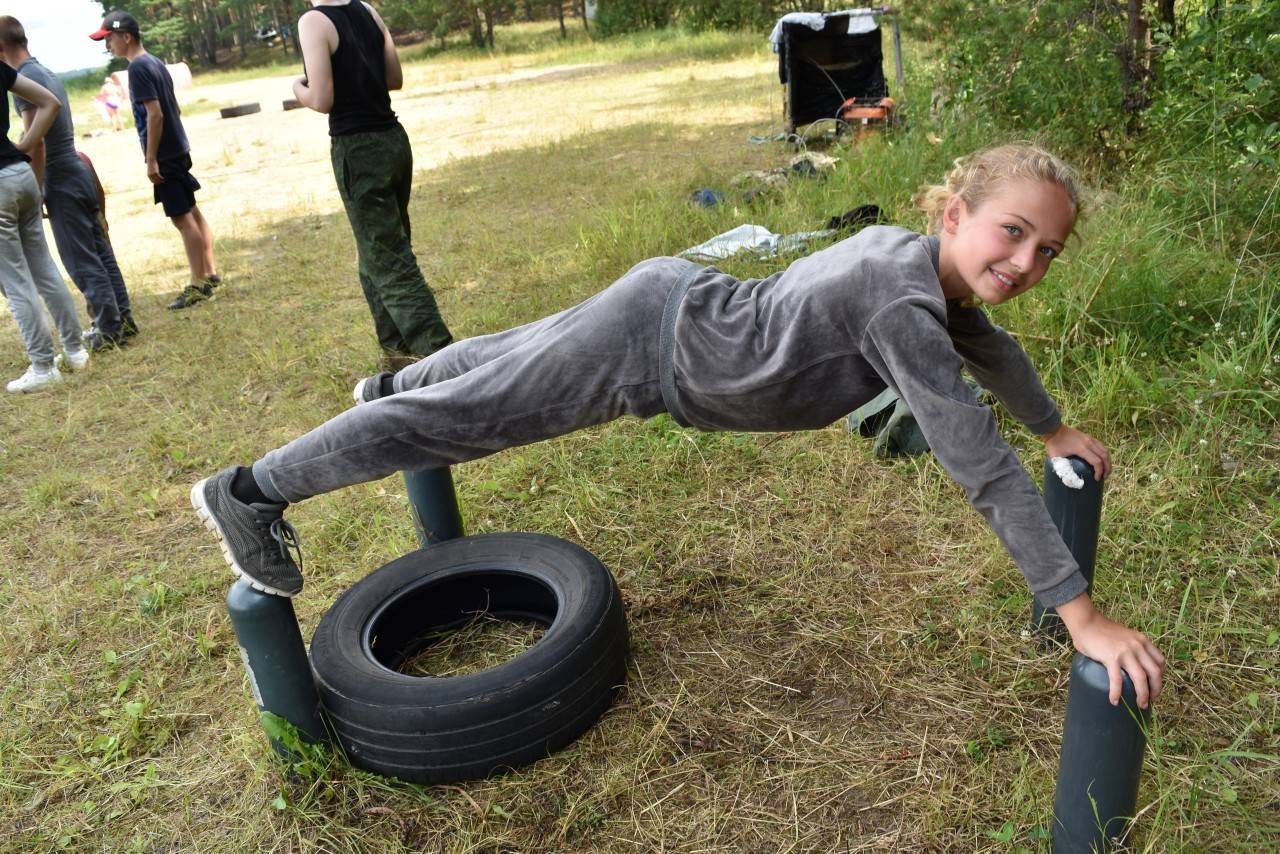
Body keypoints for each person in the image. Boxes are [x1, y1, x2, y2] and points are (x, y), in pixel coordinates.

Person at [190, 143, 1166, 709]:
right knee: (464, 418)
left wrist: (1052, 428)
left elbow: (986, 345)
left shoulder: (917, 268)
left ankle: (380, 388)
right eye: (1011, 231)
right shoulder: (900, 302)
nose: (1028, 259)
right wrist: (1081, 612)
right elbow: (975, 459)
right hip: (651, 351)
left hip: (668, 301)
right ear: (954, 212)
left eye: (1048, 250)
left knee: (498, 358)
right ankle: (249, 491)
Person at [290, 0, 452, 370]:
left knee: (390, 260)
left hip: (359, 149)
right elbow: (394, 78)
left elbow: (322, 98)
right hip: (393, 140)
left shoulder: (313, 21)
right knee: (375, 255)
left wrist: (298, 87)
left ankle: (444, 360)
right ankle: (399, 358)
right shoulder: (369, 10)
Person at [1, 16, 137, 351]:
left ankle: (108, 330)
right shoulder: (42, 70)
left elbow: (37, 142)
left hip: (61, 176)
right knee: (100, 251)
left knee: (80, 259)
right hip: (78, 169)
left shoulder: (25, 78)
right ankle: (122, 320)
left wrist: (35, 188)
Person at [90, 10, 221, 311]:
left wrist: (151, 159)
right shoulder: (155, 63)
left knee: (181, 218)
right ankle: (210, 272)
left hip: (164, 154)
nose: (107, 45)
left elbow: (156, 114)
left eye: (109, 39)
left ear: (127, 37)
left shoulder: (137, 68)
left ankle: (198, 284)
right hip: (178, 148)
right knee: (192, 211)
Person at [0, 55, 87, 392]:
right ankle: (76, 349)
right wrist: (25, 144)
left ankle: (43, 365)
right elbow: (49, 102)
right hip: (19, 173)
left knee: (16, 283)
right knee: (44, 267)